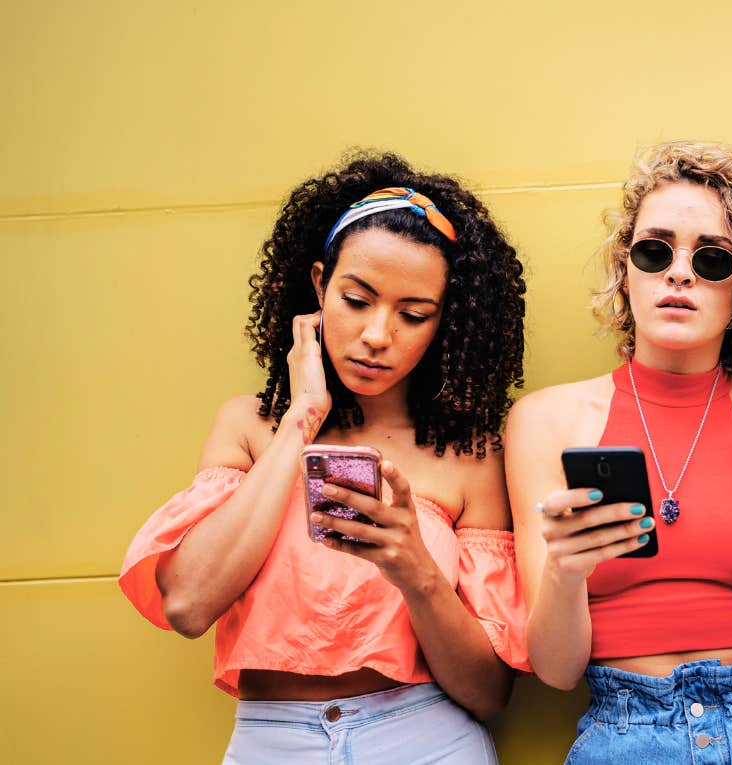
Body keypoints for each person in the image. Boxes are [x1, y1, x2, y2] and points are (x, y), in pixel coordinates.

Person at [119, 152, 530, 764]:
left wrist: (413, 566)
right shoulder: (251, 426)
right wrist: (300, 422)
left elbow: (488, 691)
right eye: (356, 300)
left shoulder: (469, 455)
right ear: (319, 285)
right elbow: (186, 604)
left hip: (422, 736)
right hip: (271, 740)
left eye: (413, 314)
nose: (377, 335)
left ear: (443, 323)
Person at [506, 140, 732, 764]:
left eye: (712, 259)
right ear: (627, 271)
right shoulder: (546, 422)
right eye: (654, 250)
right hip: (625, 733)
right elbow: (556, 672)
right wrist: (566, 574)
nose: (679, 273)